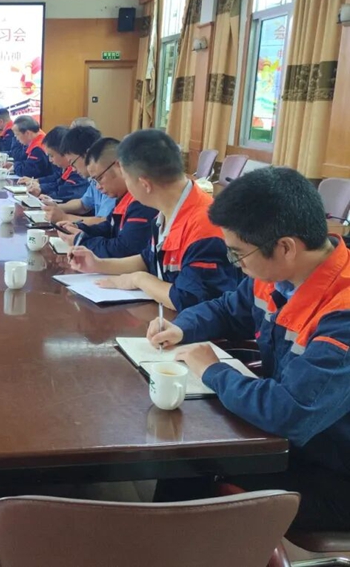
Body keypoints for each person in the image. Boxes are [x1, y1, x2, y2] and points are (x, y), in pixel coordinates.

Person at [149, 167, 350, 532]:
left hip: (334, 472)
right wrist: (182, 327)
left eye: (238, 253)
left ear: (286, 247)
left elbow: (291, 412)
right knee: (188, 454)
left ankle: (172, 545)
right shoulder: (278, 276)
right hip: (301, 444)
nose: (236, 264)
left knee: (194, 462)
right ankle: (163, 544)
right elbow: (227, 308)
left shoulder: (343, 313)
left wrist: (213, 370)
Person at [68, 129, 238, 311]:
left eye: (126, 178)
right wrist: (98, 264)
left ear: (144, 184)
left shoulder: (204, 224)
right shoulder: (168, 210)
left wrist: (138, 279)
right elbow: (148, 259)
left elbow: (190, 298)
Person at [56, 137, 157, 258]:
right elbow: (109, 227)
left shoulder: (141, 202)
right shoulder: (123, 197)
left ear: (119, 166)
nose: (98, 187)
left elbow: (123, 249)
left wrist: (82, 241)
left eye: (99, 178)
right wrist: (80, 228)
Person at [43, 126, 116, 225]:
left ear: (87, 155)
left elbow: (105, 222)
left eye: (73, 163)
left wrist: (65, 217)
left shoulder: (110, 180)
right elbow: (83, 204)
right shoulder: (93, 179)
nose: (73, 169)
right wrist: (55, 207)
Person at [22, 126, 91, 203]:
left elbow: (68, 195)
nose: (50, 160)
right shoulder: (66, 169)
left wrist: (49, 197)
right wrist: (41, 188)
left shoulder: (79, 172)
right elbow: (57, 183)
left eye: (51, 156)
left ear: (64, 153)